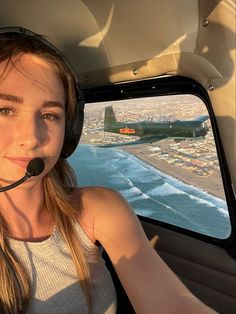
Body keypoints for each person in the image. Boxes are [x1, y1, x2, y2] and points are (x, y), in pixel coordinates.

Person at [0, 28, 216, 314]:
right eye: (4, 110)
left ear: (70, 133)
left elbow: (172, 302)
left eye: (50, 115)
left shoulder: (100, 209)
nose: (32, 137)